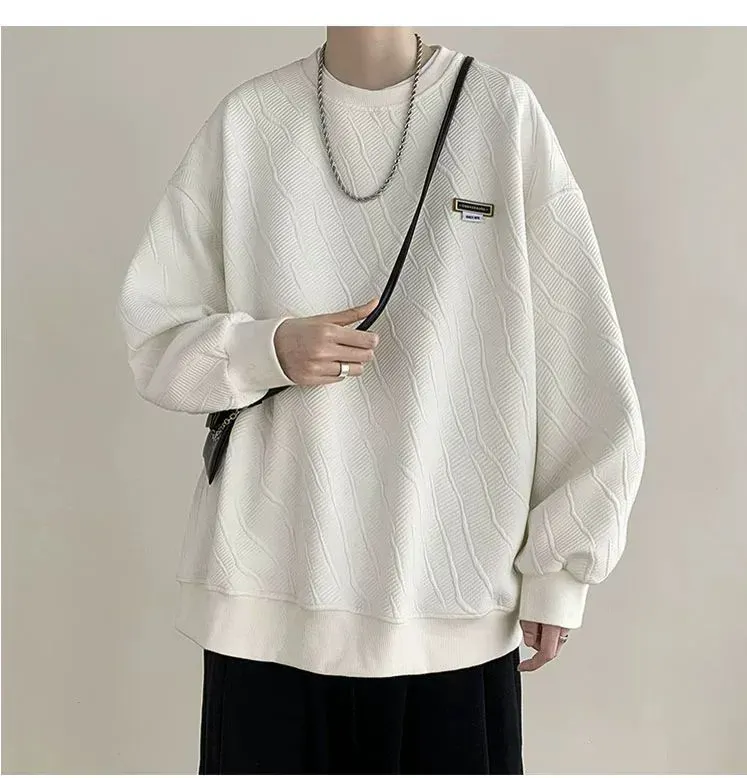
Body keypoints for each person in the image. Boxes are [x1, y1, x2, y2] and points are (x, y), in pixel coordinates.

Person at [119, 26, 645, 775]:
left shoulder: (500, 113)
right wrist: (269, 349)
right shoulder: (249, 121)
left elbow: (578, 353)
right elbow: (155, 335)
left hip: (451, 598)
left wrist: (561, 569)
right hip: (270, 596)